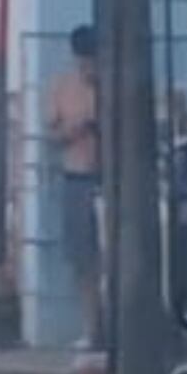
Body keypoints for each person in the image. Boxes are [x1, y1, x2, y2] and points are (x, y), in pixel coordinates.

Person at [47, 26, 103, 348]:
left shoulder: (111, 87)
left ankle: (109, 326)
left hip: (108, 178)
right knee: (83, 259)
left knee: (109, 256)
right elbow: (53, 137)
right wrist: (79, 126)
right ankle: (91, 329)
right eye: (83, 61)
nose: (88, 68)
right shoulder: (62, 88)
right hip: (77, 178)